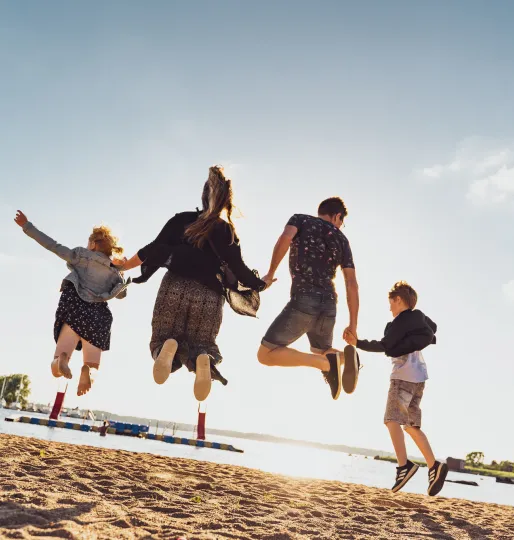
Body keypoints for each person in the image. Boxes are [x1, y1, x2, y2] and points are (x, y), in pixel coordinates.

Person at [118, 166, 269, 401]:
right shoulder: (226, 231)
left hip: (174, 287)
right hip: (208, 296)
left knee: (163, 335)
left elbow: (152, 249)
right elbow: (240, 270)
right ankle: (203, 359)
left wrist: (124, 266)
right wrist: (262, 282)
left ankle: (166, 347)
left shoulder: (182, 220)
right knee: (202, 343)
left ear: (203, 194)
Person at [344, 281, 447, 496]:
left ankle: (404, 466)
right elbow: (433, 328)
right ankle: (433, 465)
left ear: (398, 300)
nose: (389, 307)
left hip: (402, 377)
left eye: (390, 302)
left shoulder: (401, 321)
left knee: (391, 420)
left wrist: (357, 343)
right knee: (410, 425)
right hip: (419, 378)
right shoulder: (418, 318)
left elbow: (384, 345)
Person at [14, 210, 129, 396]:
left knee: (56, 366)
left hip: (74, 309)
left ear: (92, 244)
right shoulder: (114, 270)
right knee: (93, 366)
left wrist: (27, 226)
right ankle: (87, 371)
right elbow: (121, 295)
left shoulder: (80, 256)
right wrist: (122, 271)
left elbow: (53, 245)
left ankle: (63, 360)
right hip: (97, 318)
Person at [257, 197, 360, 400]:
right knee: (320, 349)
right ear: (337, 216)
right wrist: (353, 326)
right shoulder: (342, 239)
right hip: (330, 304)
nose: (340, 226)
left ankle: (324, 364)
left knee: (265, 355)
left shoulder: (301, 220)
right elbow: (351, 283)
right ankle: (344, 359)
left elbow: (285, 239)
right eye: (341, 221)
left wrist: (270, 273)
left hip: (304, 299)